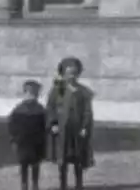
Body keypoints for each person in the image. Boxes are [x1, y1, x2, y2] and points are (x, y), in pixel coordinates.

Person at [46, 57, 94, 190]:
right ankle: (63, 184)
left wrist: (85, 126)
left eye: (74, 73)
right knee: (63, 159)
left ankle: (79, 184)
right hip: (62, 130)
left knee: (78, 158)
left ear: (78, 74)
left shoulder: (83, 92)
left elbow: (87, 111)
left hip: (77, 130)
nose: (71, 76)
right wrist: (53, 123)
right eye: (68, 73)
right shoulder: (58, 90)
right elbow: (51, 108)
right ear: (63, 74)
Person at [8, 80, 48, 190]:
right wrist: (14, 138)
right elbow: (12, 125)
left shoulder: (41, 109)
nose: (32, 96)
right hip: (23, 141)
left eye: (34, 94)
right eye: (29, 93)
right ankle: (24, 184)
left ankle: (35, 184)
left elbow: (45, 124)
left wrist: (44, 137)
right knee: (24, 164)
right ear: (25, 93)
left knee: (35, 164)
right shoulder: (18, 109)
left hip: (36, 142)